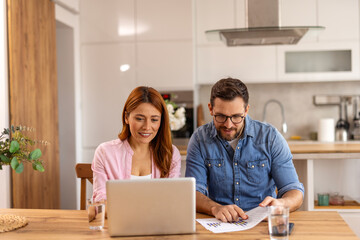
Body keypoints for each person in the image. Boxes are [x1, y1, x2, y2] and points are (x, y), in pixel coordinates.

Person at [185, 78, 304, 223]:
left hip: (262, 224)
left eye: (236, 117)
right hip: (220, 223)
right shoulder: (199, 139)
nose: (228, 125)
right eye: (221, 116)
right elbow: (194, 192)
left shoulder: (270, 138)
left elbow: (294, 191)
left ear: (246, 110)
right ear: (211, 109)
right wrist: (215, 208)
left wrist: (281, 204)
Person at [92, 86, 181, 203]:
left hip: (158, 221)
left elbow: (172, 201)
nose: (147, 127)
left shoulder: (171, 154)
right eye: (139, 118)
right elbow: (100, 200)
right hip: (119, 221)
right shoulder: (105, 152)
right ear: (126, 117)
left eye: (154, 120)